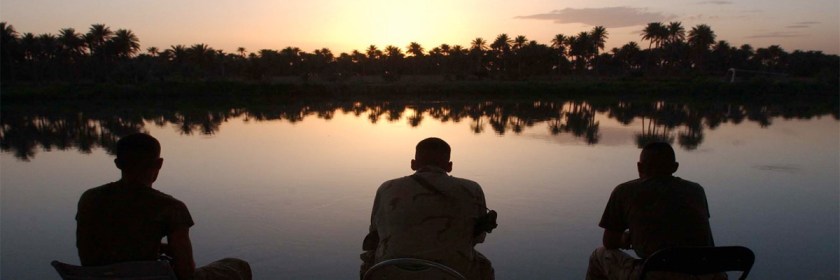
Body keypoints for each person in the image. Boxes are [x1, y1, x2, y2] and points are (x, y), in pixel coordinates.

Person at [76, 133, 251, 280]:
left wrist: (155, 247)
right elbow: (185, 273)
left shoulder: (89, 198)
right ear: (159, 164)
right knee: (237, 266)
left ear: (118, 163)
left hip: (98, 276)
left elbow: (91, 250)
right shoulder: (170, 207)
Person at [360, 137, 496, 280]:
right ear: (449, 166)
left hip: (389, 270)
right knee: (484, 266)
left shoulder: (386, 188)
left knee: (369, 259)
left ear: (413, 164)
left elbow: (374, 236)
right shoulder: (472, 189)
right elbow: (478, 238)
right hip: (452, 273)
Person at [587, 142, 725, 280]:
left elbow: (609, 241)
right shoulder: (696, 191)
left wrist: (627, 238)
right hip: (710, 274)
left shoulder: (625, 191)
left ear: (639, 167)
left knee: (599, 256)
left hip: (658, 275)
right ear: (675, 167)